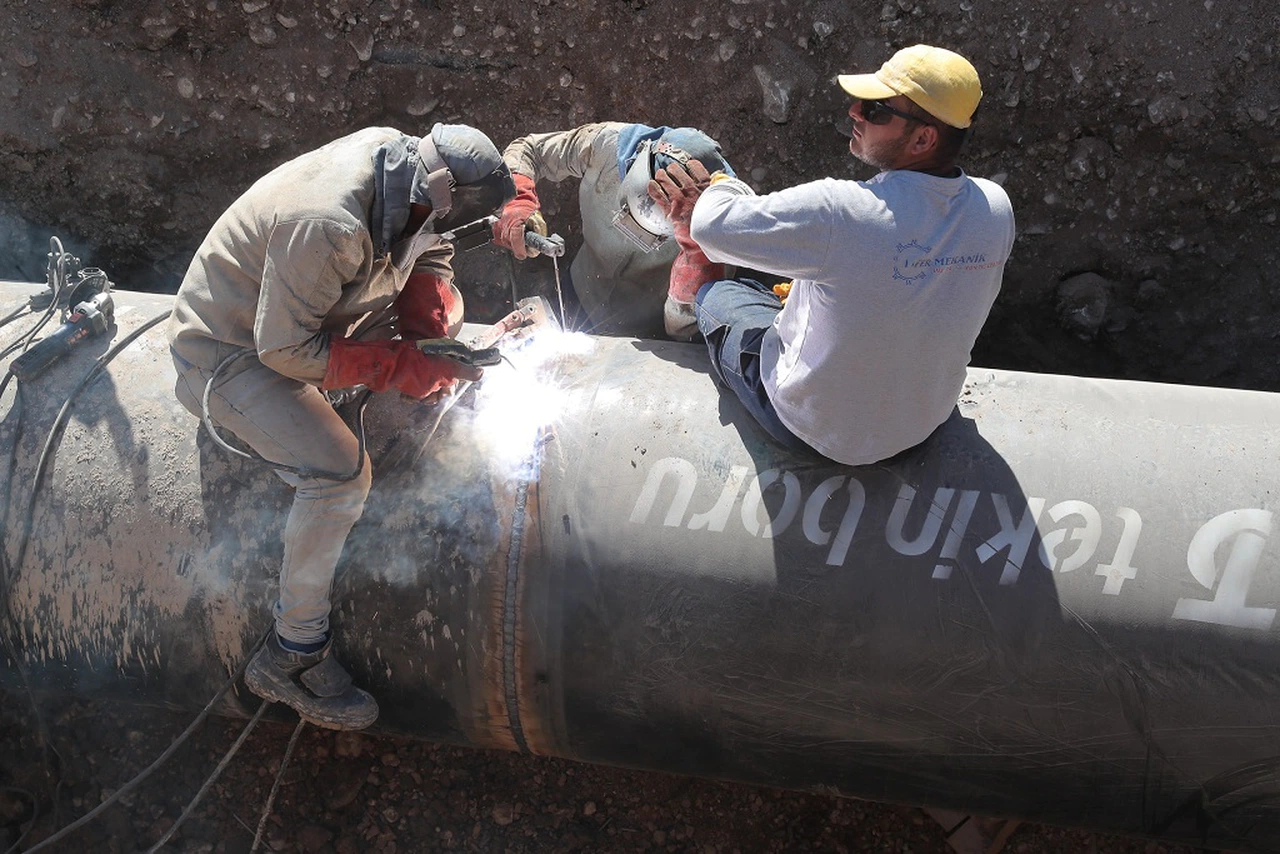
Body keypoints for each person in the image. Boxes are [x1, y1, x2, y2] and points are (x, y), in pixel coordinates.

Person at [167, 124, 516, 730]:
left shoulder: (404, 172)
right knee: (340, 477)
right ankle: (292, 653)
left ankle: (396, 359)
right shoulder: (330, 224)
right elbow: (282, 350)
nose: (440, 228)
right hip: (232, 352)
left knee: (450, 315)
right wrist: (402, 366)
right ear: (434, 188)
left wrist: (425, 332)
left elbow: (430, 251)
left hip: (310, 310)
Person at [649, 44, 1015, 466]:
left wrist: (716, 189)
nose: (855, 113)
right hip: (922, 425)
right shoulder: (995, 207)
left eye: (877, 110)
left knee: (722, 296)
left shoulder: (842, 214)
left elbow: (712, 227)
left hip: (810, 429)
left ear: (923, 138)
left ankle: (688, 327)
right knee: (784, 288)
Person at [491, 123, 734, 341]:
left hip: (646, 333)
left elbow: (685, 326)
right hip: (578, 292)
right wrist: (518, 200)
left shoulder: (723, 229)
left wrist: (696, 262)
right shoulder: (608, 145)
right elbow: (531, 149)